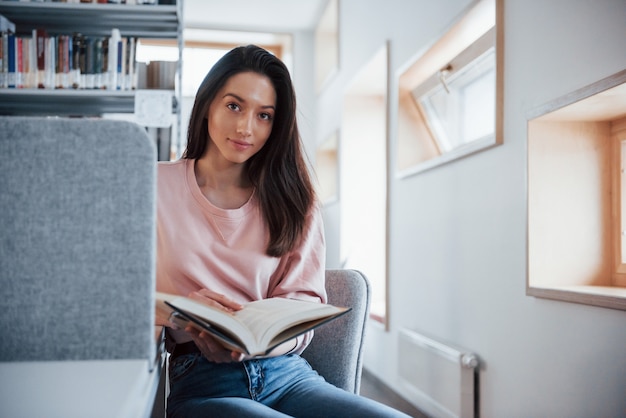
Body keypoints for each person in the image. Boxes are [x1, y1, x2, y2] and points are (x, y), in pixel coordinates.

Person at [155, 44, 409, 418]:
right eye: (234, 106)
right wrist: (181, 314)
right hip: (202, 382)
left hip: (287, 377)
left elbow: (304, 308)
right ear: (208, 103)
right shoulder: (154, 185)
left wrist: (254, 345)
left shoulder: (295, 200)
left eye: (265, 115)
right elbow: (113, 294)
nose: (246, 127)